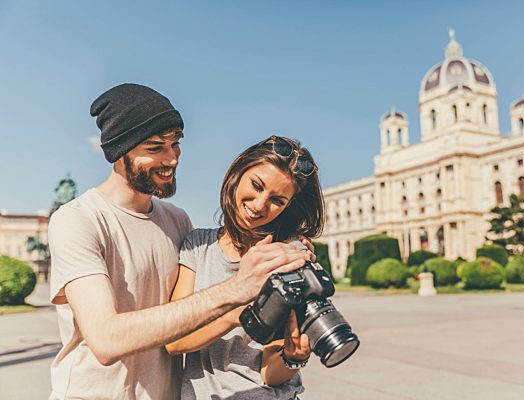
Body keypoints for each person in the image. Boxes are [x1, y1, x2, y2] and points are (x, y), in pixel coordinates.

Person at [48, 84, 310, 400]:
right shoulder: (78, 219)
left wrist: (287, 244)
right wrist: (237, 291)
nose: (172, 159)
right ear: (120, 150)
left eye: (175, 145)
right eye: (155, 147)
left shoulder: (177, 221)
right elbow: (105, 340)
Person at [166, 135, 325, 400]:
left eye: (278, 200)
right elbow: (174, 340)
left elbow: (268, 372)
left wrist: (292, 357)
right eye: (257, 185)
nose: (260, 205)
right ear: (238, 173)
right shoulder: (198, 245)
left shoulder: (286, 257)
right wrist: (241, 314)